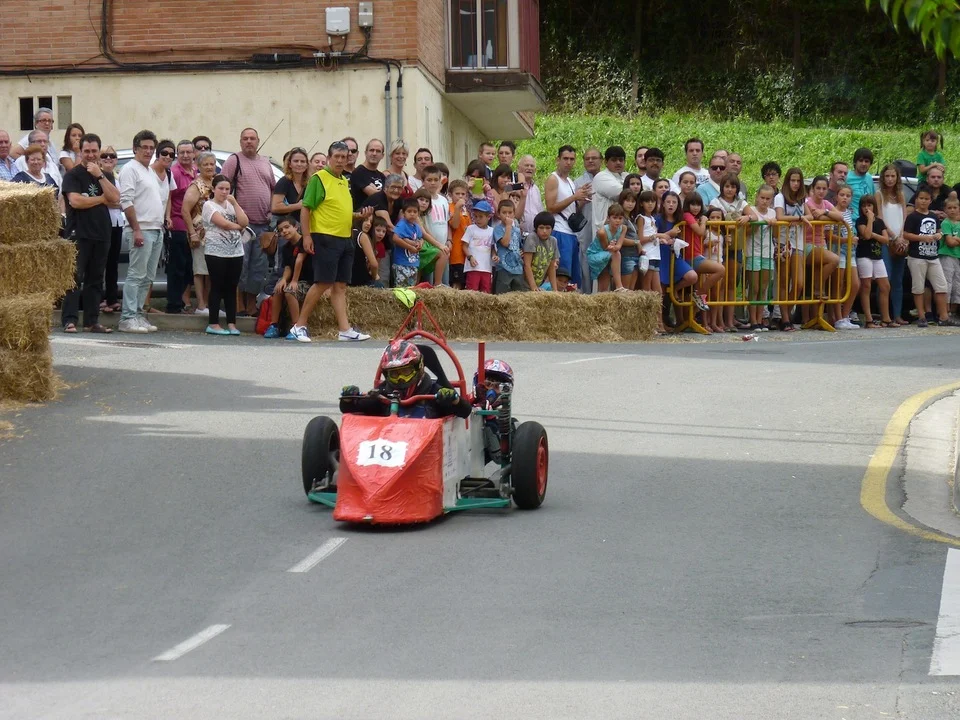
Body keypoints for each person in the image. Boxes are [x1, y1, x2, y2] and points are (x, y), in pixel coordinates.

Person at [288, 141, 371, 343]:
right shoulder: (319, 178)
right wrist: (307, 236)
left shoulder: (343, 180)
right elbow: (306, 208)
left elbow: (337, 210)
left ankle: (345, 329)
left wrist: (358, 216)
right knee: (323, 282)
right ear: (329, 158)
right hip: (325, 237)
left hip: (345, 238)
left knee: (340, 285)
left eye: (344, 157)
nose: (341, 161)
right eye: (337, 157)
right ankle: (299, 325)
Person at [60, 133, 118, 334]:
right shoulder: (73, 175)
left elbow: (115, 198)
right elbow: (75, 201)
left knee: (96, 279)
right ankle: (69, 320)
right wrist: (101, 199)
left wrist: (100, 176)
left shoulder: (105, 175)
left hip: (102, 232)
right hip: (79, 232)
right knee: (74, 277)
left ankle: (91, 321)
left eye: (94, 151)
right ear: (81, 152)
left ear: (99, 152)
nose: (91, 155)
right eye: (87, 151)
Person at [339, 341, 472, 420]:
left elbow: (465, 411)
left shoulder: (433, 392)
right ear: (387, 374)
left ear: (418, 368)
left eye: (405, 372)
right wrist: (348, 400)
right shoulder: (383, 393)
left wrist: (454, 400)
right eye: (394, 374)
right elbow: (350, 409)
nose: (400, 379)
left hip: (429, 452)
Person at [221, 128, 276, 316]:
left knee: (258, 268)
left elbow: (273, 189)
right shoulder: (233, 160)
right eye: (245, 138)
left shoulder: (266, 162)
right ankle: (239, 306)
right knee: (240, 266)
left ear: (258, 141)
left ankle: (252, 306)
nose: (249, 141)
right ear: (240, 141)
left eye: (252, 138)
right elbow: (222, 188)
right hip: (241, 226)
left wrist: (272, 211)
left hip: (264, 225)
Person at [117, 130, 166, 333]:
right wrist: (136, 229)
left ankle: (137, 315)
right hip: (142, 229)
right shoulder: (130, 169)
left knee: (147, 277)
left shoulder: (149, 171)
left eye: (151, 148)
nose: (148, 151)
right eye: (144, 147)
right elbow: (126, 201)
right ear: (135, 149)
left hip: (155, 229)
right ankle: (127, 318)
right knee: (136, 275)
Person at [902, 186, 959, 327]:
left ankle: (944, 317)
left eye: (926, 199)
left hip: (933, 256)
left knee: (942, 286)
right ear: (916, 199)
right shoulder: (913, 217)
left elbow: (939, 231)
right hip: (917, 256)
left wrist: (938, 235)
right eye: (921, 198)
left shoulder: (933, 216)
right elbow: (906, 234)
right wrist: (922, 238)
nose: (923, 201)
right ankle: (922, 316)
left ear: (930, 200)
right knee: (918, 287)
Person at [202, 174, 248, 335]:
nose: (224, 192)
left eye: (227, 189)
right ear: (213, 189)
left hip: (235, 251)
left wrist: (235, 203)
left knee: (231, 287)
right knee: (217, 286)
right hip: (216, 252)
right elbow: (224, 224)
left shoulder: (231, 204)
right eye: (221, 188)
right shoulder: (209, 205)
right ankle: (213, 323)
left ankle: (231, 323)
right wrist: (239, 227)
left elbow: (245, 221)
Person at [545, 145, 592, 293]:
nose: (568, 162)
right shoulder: (553, 179)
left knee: (572, 278)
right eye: (565, 158)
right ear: (558, 160)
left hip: (571, 233)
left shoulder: (570, 182)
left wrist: (582, 200)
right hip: (559, 231)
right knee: (561, 275)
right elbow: (550, 207)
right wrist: (574, 197)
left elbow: (570, 210)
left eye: (572, 159)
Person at [773, 167, 811, 331]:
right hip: (783, 243)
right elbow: (780, 217)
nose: (795, 184)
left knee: (799, 283)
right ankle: (785, 319)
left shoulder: (802, 199)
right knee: (783, 281)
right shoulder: (780, 197)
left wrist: (801, 218)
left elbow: (810, 216)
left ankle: (785, 314)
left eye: (798, 181)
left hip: (798, 242)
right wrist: (799, 218)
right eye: (792, 180)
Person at [182, 151, 217, 316]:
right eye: (206, 164)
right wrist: (192, 233)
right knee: (200, 270)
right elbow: (185, 210)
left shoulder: (216, 183)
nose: (209, 167)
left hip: (215, 234)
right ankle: (201, 305)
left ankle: (209, 305)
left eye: (212, 164)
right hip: (200, 234)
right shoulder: (196, 186)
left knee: (211, 271)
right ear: (198, 166)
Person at [264, 217, 311, 338]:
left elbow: (299, 261)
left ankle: (297, 327)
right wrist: (284, 279)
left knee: (290, 292)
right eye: (281, 230)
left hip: (308, 280)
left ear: (296, 227)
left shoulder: (304, 241)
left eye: (287, 227)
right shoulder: (286, 247)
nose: (284, 231)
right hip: (293, 278)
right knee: (278, 288)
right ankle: (274, 325)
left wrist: (294, 281)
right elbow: (288, 267)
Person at [876, 163, 909, 325]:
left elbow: (904, 216)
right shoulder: (879, 195)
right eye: (887, 176)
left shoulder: (900, 194)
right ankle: (884, 315)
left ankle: (897, 315)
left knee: (898, 280)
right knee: (885, 279)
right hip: (886, 241)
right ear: (883, 178)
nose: (890, 179)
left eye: (893, 176)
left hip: (900, 241)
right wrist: (893, 237)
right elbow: (880, 218)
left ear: (897, 178)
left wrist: (901, 236)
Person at [167, 139, 197, 315]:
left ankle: (182, 303)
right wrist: (168, 218)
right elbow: (168, 197)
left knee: (188, 268)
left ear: (194, 154)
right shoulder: (175, 172)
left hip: (194, 227)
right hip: (178, 224)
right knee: (177, 268)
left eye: (188, 152)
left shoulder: (196, 171)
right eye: (182, 152)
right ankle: (173, 305)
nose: (185, 155)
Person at [855, 195, 894, 328]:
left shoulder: (880, 222)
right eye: (864, 206)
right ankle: (869, 319)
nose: (866, 208)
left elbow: (886, 239)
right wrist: (870, 221)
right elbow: (866, 235)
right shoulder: (860, 221)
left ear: (874, 207)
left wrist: (874, 235)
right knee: (866, 286)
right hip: (864, 255)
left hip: (877, 256)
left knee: (885, 286)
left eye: (869, 205)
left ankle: (886, 318)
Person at [744, 185, 777, 331]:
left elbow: (775, 234)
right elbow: (747, 231)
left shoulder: (773, 212)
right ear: (757, 197)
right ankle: (753, 320)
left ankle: (760, 318)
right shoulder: (752, 211)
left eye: (768, 199)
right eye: (762, 197)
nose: (764, 201)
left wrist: (774, 224)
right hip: (753, 252)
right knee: (754, 288)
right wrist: (758, 223)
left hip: (767, 252)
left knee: (764, 288)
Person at [803, 175, 841, 303]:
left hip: (821, 243)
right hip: (807, 243)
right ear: (813, 189)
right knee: (834, 259)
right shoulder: (807, 202)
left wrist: (825, 212)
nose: (821, 191)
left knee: (818, 294)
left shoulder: (826, 204)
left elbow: (840, 217)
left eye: (824, 188)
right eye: (818, 188)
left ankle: (817, 289)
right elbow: (814, 217)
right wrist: (828, 217)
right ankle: (817, 284)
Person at [99, 146, 124, 314]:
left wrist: (115, 202)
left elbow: (122, 200)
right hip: (103, 223)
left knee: (113, 263)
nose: (108, 158)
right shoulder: (98, 177)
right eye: (104, 155)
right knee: (100, 263)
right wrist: (115, 202)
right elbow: (106, 200)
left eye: (112, 156)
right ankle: (100, 299)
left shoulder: (117, 177)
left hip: (117, 223)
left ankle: (112, 298)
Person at [575, 148, 602, 292]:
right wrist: (581, 200)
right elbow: (571, 211)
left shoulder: (606, 180)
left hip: (603, 227)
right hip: (585, 227)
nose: (590, 161)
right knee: (585, 258)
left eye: (594, 158)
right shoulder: (577, 182)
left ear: (601, 161)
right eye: (587, 158)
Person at [586, 202, 627, 293]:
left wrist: (614, 247)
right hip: (596, 254)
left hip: (608, 254)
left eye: (620, 218)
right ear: (608, 218)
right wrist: (612, 247)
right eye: (614, 218)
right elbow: (605, 247)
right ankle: (619, 286)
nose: (617, 221)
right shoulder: (602, 232)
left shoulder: (624, 228)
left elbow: (619, 245)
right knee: (616, 254)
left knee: (604, 289)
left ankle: (618, 286)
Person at [420, 165, 451, 285]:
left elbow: (447, 222)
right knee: (429, 281)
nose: (433, 183)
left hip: (443, 246)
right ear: (423, 181)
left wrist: (449, 240)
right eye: (429, 180)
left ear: (440, 181)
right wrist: (435, 243)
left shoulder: (443, 200)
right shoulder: (423, 201)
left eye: (435, 180)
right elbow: (422, 225)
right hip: (429, 246)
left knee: (444, 281)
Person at [590, 146, 628, 239]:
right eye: (614, 160)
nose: (618, 163)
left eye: (621, 160)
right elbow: (623, 194)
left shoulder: (625, 176)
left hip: (621, 230)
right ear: (606, 162)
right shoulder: (601, 177)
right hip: (604, 232)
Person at [462, 199, 497, 293]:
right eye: (476, 216)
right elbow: (464, 246)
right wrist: (470, 257)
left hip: (487, 268)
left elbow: (492, 248)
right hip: (473, 267)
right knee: (472, 292)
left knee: (486, 292)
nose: (477, 219)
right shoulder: (471, 229)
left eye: (481, 217)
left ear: (488, 217)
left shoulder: (492, 231)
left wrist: (494, 256)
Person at [493, 198, 526, 293]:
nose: (507, 215)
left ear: (514, 214)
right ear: (499, 214)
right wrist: (508, 226)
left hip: (517, 268)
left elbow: (519, 246)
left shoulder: (517, 230)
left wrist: (521, 252)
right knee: (502, 294)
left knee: (518, 294)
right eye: (504, 212)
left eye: (510, 212)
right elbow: (505, 243)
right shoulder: (498, 229)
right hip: (503, 268)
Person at [523, 212, 559, 291]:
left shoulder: (553, 241)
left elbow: (551, 267)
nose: (544, 231)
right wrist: (533, 287)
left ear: (552, 229)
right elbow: (527, 264)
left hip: (538, 283)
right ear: (536, 228)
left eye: (548, 228)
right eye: (541, 228)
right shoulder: (532, 238)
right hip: (523, 283)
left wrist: (555, 290)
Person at [391, 198, 423, 288]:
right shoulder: (402, 224)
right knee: (401, 288)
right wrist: (410, 247)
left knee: (411, 288)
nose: (412, 214)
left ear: (418, 213)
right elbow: (395, 238)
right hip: (401, 263)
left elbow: (421, 238)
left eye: (415, 212)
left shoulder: (416, 226)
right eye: (409, 211)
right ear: (404, 213)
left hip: (413, 263)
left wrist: (420, 243)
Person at [447, 178, 470, 289]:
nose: (460, 196)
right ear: (450, 195)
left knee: (463, 283)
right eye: (457, 194)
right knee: (456, 283)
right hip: (456, 253)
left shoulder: (465, 210)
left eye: (463, 194)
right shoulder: (450, 207)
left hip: (465, 252)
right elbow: (454, 225)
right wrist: (457, 208)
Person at [350, 139, 385, 208]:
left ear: (382, 155)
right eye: (371, 150)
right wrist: (382, 193)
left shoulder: (382, 176)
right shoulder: (358, 172)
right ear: (366, 153)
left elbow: (387, 197)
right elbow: (375, 196)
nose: (374, 154)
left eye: (378, 151)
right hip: (362, 213)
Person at [940, 198, 960, 318]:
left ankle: (954, 312)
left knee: (957, 284)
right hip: (947, 256)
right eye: (949, 208)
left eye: (955, 208)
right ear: (945, 210)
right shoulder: (945, 223)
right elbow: (950, 242)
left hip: (957, 257)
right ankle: (946, 312)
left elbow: (954, 241)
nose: (952, 210)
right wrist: (956, 240)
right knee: (947, 283)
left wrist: (956, 239)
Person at [517, 155, 542, 235]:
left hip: (535, 235)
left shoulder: (536, 189)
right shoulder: (514, 186)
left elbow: (540, 211)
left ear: (535, 170)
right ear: (519, 168)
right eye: (526, 165)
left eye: (532, 166)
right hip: (518, 234)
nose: (529, 168)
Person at [846, 148, 875, 216]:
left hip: (867, 219)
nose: (863, 164)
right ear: (855, 162)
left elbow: (873, 200)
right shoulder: (847, 177)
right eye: (861, 160)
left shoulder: (869, 177)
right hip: (851, 220)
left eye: (866, 161)